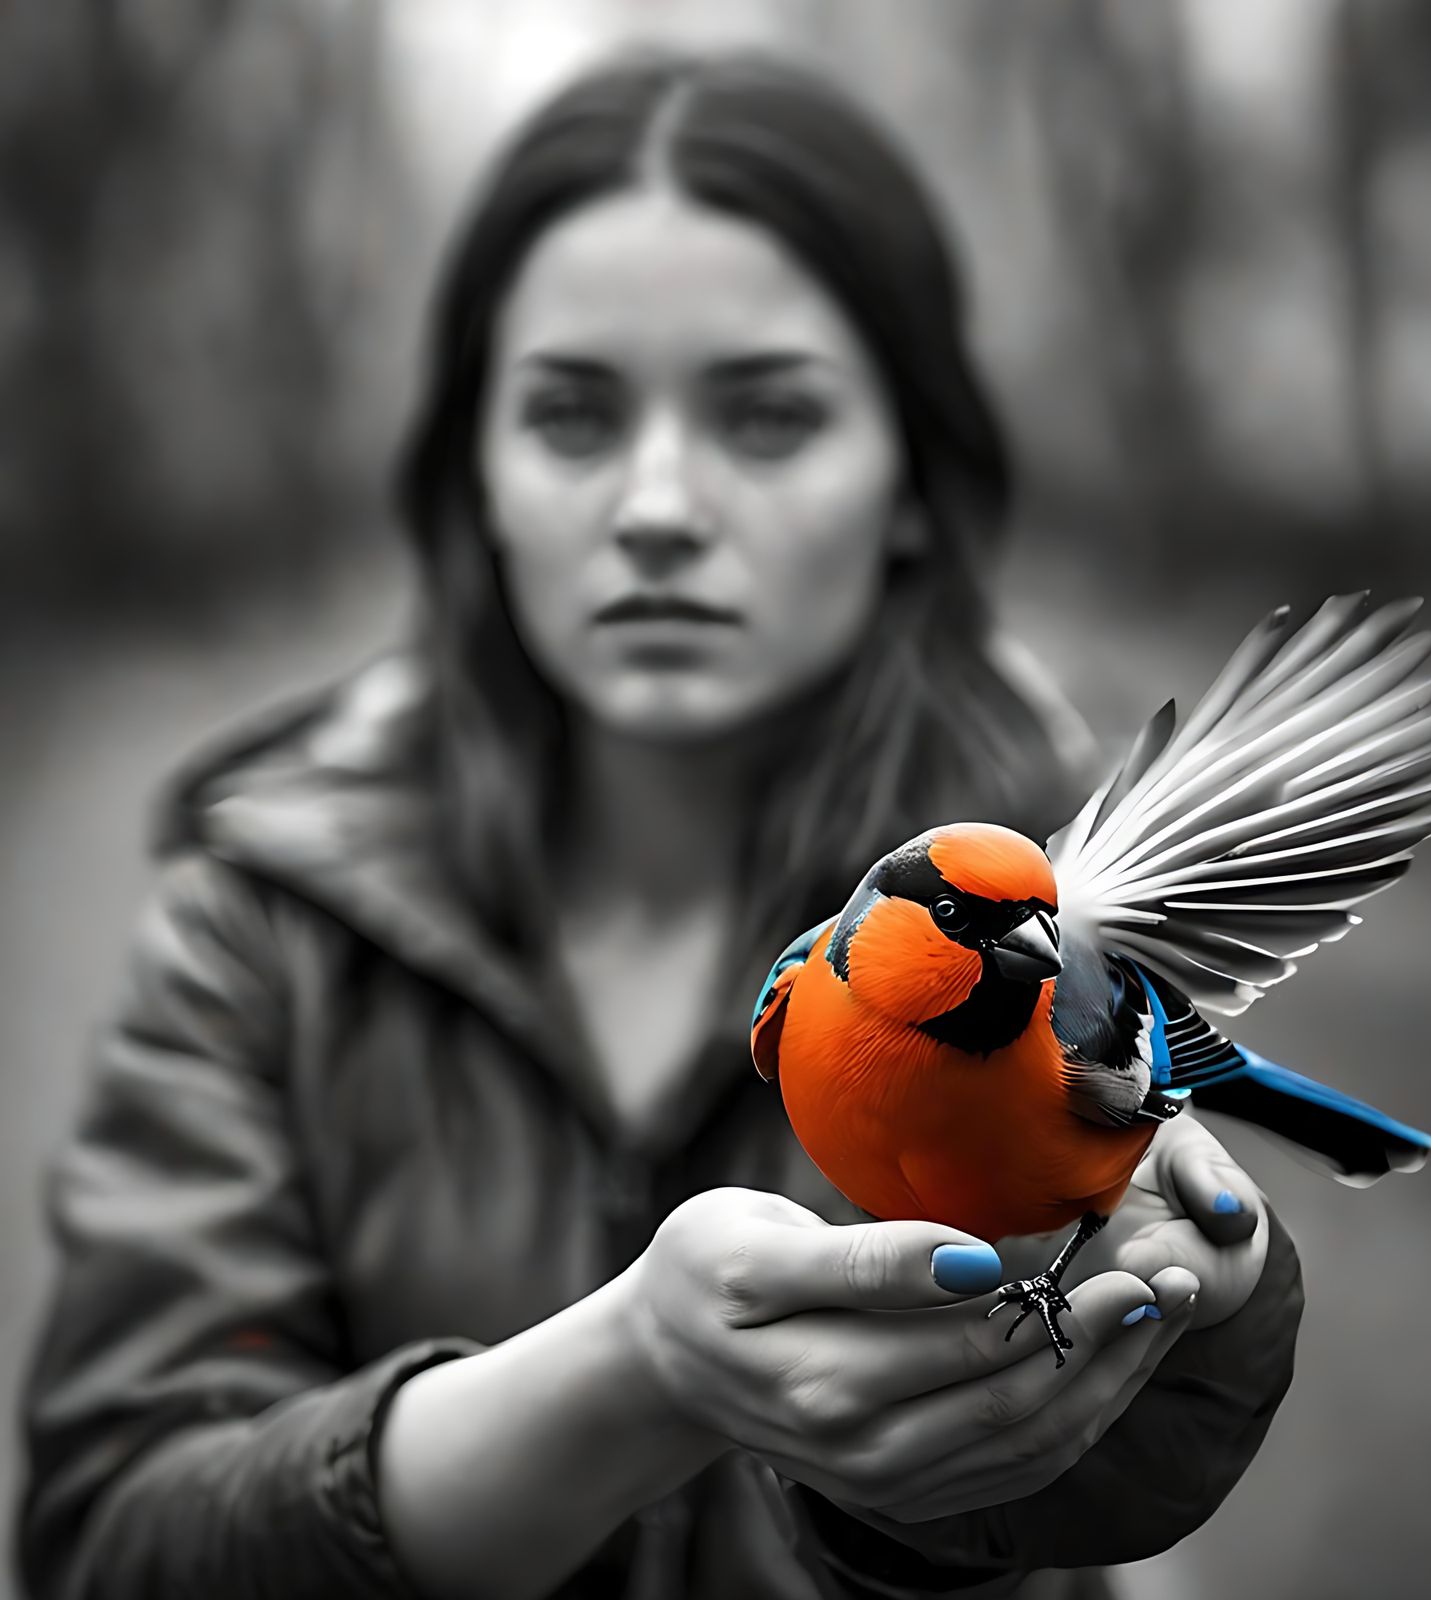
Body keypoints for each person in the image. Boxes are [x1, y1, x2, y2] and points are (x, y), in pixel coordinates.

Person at [17, 49, 1303, 1600]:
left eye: (766, 420)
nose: (659, 504)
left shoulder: (1050, 915)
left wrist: (1187, 1338)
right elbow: (112, 1545)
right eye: (570, 417)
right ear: (472, 478)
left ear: (910, 478)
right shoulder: (263, 923)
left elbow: (1120, 1516)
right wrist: (633, 1379)